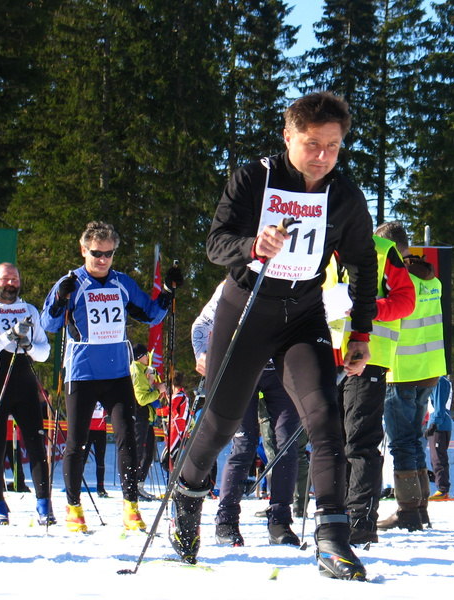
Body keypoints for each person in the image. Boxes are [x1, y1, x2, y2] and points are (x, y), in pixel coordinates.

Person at [171, 92, 377, 581]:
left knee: (325, 419)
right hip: (247, 309)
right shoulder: (254, 178)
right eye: (312, 144)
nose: (323, 156)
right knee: (221, 424)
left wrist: (361, 331)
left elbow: (363, 264)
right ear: (288, 137)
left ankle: (333, 539)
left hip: (302, 316)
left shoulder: (344, 196)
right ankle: (187, 497)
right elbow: (216, 243)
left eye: (333, 146)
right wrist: (251, 245)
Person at [40, 221, 180, 533]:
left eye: (108, 253)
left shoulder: (121, 283)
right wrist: (60, 299)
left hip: (117, 373)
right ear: (83, 250)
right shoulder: (72, 282)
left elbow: (152, 314)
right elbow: (48, 325)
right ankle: (73, 507)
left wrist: (168, 292)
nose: (102, 259)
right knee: (77, 442)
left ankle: (131, 507)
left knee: (128, 438)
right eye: (96, 253)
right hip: (82, 373)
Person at [191, 281, 301, 547]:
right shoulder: (236, 285)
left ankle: (280, 521)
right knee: (244, 443)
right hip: (240, 371)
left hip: (281, 372)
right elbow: (200, 326)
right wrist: (202, 354)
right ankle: (226, 521)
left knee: (287, 444)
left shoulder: (293, 282)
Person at [336, 233, 414, 545]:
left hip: (369, 357)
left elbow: (406, 301)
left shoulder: (383, 249)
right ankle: (333, 516)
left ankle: (360, 521)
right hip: (323, 353)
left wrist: (368, 310)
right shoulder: (316, 243)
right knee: (331, 441)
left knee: (359, 440)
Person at [374, 222, 447, 532]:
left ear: (388, 247)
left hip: (400, 369)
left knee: (402, 443)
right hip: (428, 369)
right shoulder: (431, 279)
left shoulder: (398, 279)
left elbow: (391, 313)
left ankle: (408, 511)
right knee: (414, 440)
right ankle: (419, 509)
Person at [0, 262, 55, 525]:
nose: (10, 283)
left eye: (14, 278)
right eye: (5, 278)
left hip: (24, 382)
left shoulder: (29, 310)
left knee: (35, 442)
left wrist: (28, 345)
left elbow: (44, 353)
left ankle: (44, 503)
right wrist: (9, 337)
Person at [130, 343, 166, 500]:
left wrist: (154, 382)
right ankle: (134, 486)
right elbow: (142, 398)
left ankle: (139, 485)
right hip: (139, 415)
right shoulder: (136, 370)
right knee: (139, 453)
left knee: (148, 453)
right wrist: (158, 391)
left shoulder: (142, 369)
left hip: (147, 417)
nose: (148, 359)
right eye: (147, 356)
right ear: (141, 356)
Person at [426, 375, 453, 501]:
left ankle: (442, 489)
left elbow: (439, 406)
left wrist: (435, 423)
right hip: (437, 424)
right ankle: (441, 487)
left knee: (438, 458)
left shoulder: (440, 381)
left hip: (440, 426)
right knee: (435, 458)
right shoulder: (438, 381)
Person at [81, 402, 109, 497]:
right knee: (82, 459)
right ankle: (76, 485)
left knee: (100, 460)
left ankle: (100, 488)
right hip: (87, 429)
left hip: (101, 430)